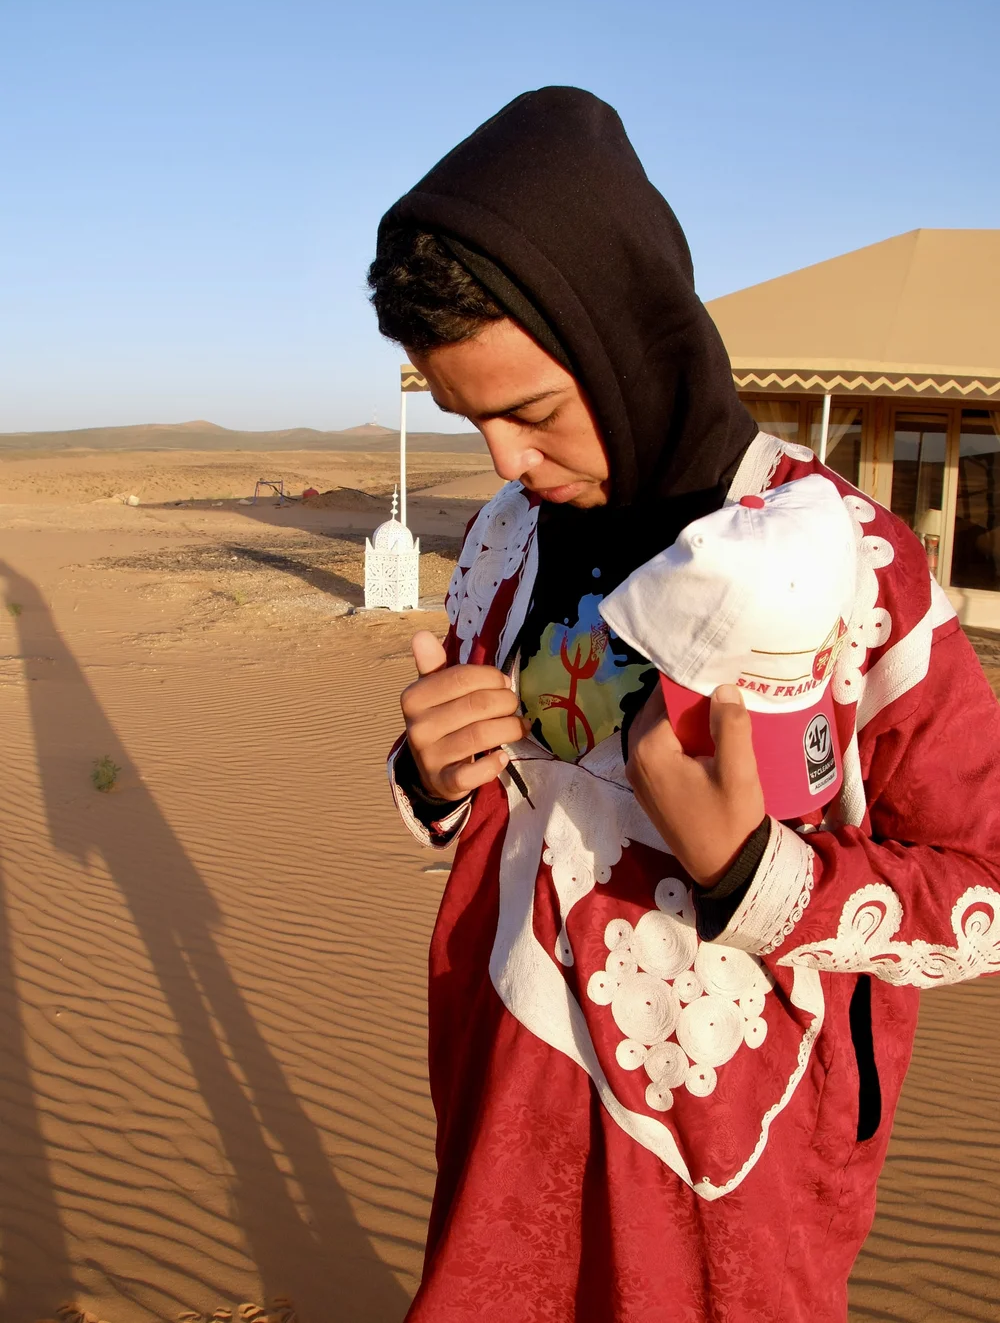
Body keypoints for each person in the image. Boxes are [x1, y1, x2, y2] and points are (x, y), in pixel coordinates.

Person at [366, 86, 1000, 1322]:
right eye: (468, 417)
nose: (501, 460)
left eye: (531, 410)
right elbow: (512, 809)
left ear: (628, 339)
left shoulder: (859, 565)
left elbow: (982, 885)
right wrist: (432, 777)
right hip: (506, 1096)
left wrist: (757, 872)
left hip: (732, 1167)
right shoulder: (507, 537)